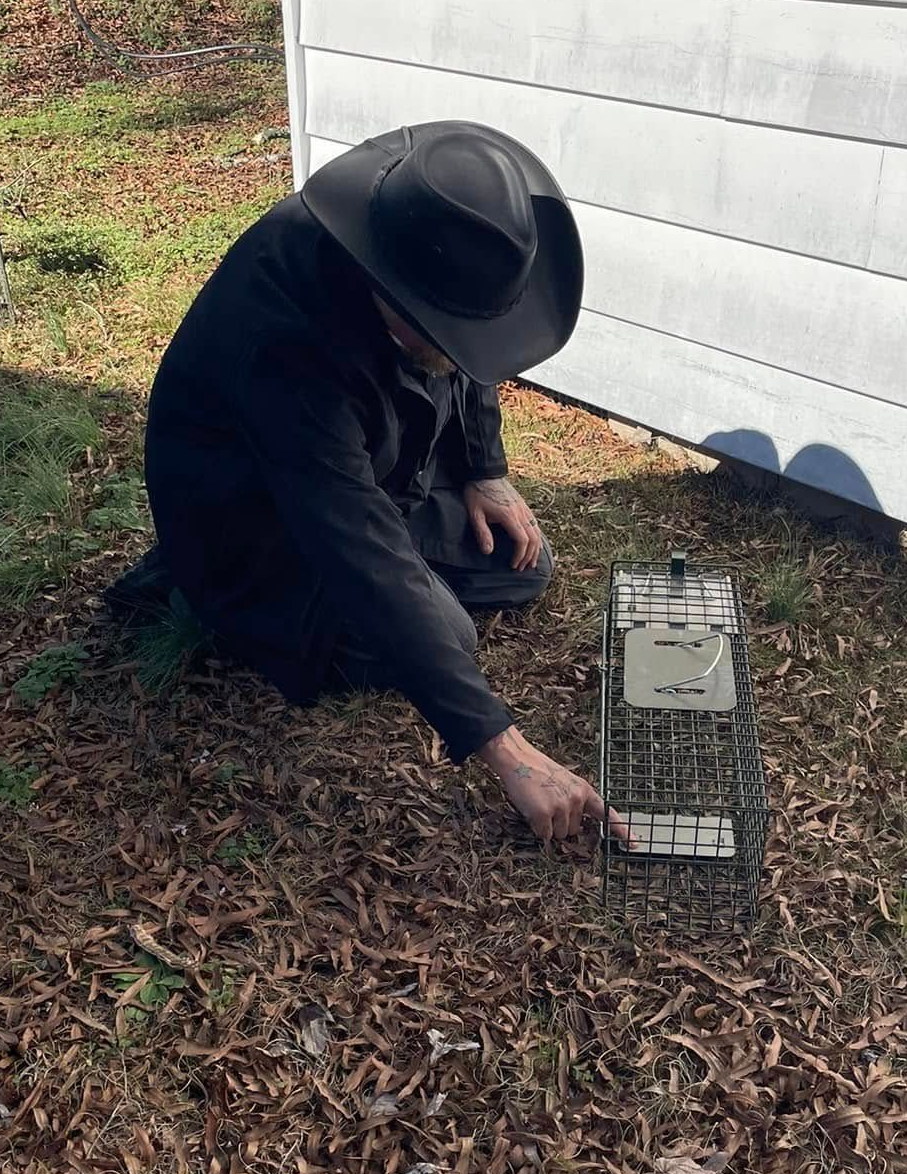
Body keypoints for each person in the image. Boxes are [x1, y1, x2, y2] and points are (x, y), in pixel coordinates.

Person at [106, 120, 622, 844]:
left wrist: (484, 469)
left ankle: (414, 584)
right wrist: (506, 748)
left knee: (523, 565)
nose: (460, 352)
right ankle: (213, 605)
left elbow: (472, 351)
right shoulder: (282, 346)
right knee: (446, 632)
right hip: (261, 530)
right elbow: (359, 550)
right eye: (442, 336)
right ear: (394, 293)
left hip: (371, 484)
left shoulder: (425, 239)